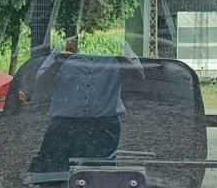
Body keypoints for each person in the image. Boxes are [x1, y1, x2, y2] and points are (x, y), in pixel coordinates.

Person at [28, 26, 144, 174]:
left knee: (99, 179)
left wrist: (118, 54)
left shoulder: (119, 46)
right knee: (52, 178)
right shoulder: (64, 46)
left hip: (103, 128)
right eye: (88, 21)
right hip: (64, 126)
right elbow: (40, 82)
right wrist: (64, 56)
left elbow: (140, 77)